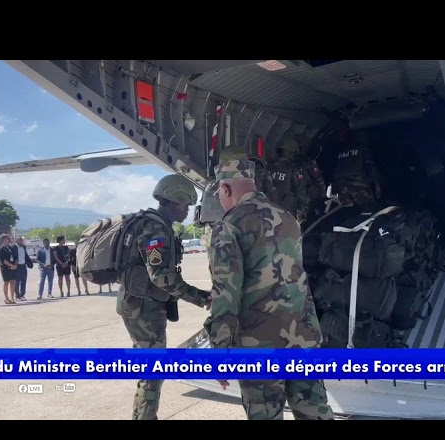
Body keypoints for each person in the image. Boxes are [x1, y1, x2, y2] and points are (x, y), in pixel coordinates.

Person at [204, 154, 335, 421]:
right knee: (315, 411)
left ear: (226, 189)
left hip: (259, 347)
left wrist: (219, 351)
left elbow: (225, 295)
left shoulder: (228, 226)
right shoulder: (288, 218)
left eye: (220, 193)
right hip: (304, 338)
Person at [117, 174, 212, 420]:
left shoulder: (153, 223)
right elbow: (160, 277)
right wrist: (201, 297)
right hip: (144, 308)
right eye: (186, 205)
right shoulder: (155, 228)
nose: (187, 211)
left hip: (139, 304)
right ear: (174, 200)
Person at [0, 233, 18, 304]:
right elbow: (3, 260)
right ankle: (6, 298)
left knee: (13, 282)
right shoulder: (1, 249)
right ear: (3, 240)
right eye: (7, 239)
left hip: (12, 267)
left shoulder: (10, 248)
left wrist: (15, 264)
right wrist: (11, 265)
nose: (8, 240)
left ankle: (12, 297)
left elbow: (15, 257)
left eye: (8, 239)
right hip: (5, 268)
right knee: (6, 282)